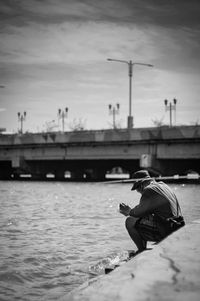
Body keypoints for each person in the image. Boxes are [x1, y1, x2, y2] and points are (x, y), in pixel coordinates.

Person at [119, 170, 185, 253]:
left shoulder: (148, 190)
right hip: (178, 227)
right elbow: (146, 209)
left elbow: (137, 213)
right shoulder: (163, 185)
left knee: (129, 221)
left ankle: (141, 250)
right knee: (139, 217)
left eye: (137, 187)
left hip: (168, 231)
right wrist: (133, 211)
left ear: (142, 184)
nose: (137, 191)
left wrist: (129, 211)